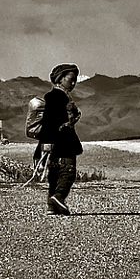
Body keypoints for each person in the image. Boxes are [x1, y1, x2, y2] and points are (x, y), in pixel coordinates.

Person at [34, 62, 83, 216]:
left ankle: (52, 206)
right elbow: (49, 121)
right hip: (63, 142)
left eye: (75, 80)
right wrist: (48, 141)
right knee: (68, 172)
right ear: (60, 79)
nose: (73, 83)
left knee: (54, 175)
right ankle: (58, 197)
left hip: (54, 143)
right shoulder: (58, 97)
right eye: (70, 79)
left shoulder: (55, 96)